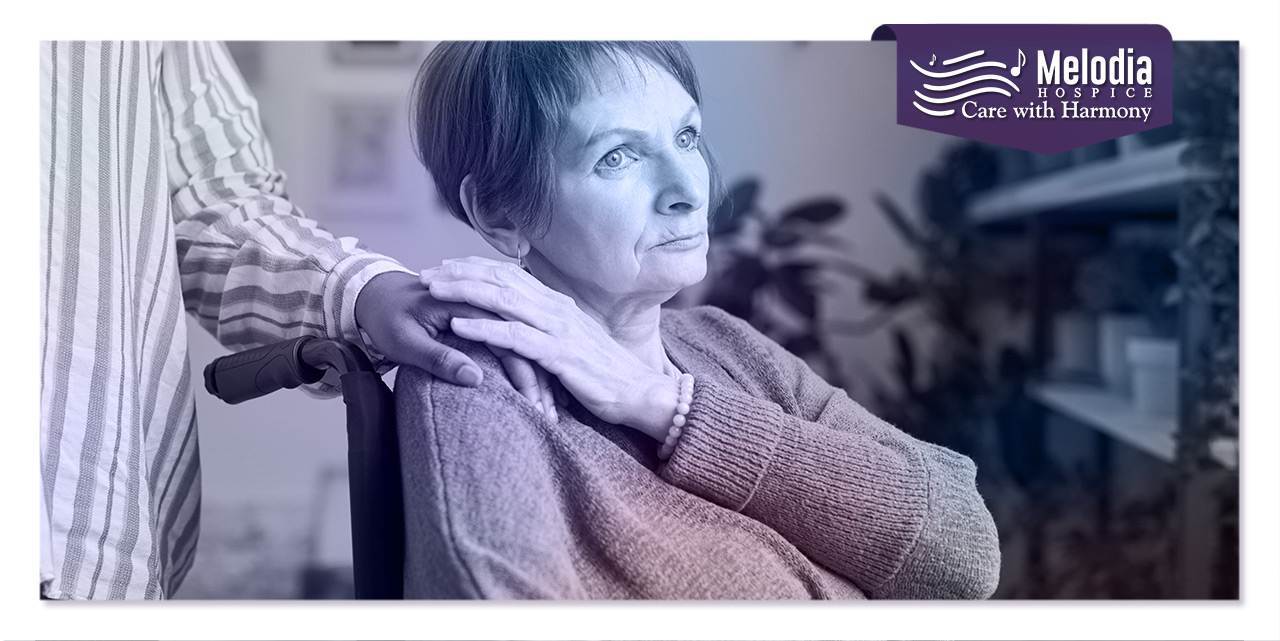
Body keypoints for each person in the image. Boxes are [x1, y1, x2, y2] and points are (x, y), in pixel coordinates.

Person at [395, 41, 1002, 599]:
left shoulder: (724, 343)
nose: (690, 188)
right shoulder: (477, 380)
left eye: (687, 137)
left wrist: (661, 404)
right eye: (618, 156)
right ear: (501, 214)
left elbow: (963, 555)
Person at [38, 41, 556, 600]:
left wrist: (364, 293)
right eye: (615, 157)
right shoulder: (471, 396)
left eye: (672, 137)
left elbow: (213, 198)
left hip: (78, 541)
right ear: (500, 214)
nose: (669, 193)